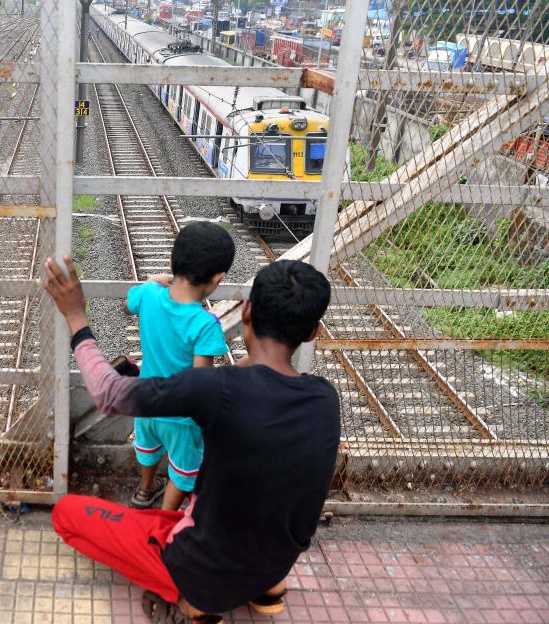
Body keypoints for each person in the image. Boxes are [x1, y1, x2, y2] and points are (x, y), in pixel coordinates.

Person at [44, 256, 340, 621]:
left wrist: (76, 316)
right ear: (313, 332)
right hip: (277, 559)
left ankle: (194, 604)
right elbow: (259, 385)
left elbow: (108, 393)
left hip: (203, 570)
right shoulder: (325, 399)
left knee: (67, 514)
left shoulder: (215, 391)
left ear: (246, 312)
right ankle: (269, 588)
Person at [124, 221, 234, 511]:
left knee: (147, 448)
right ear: (218, 278)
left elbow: (128, 305)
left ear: (173, 262)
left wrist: (153, 280)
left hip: (146, 401)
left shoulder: (148, 295)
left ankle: (145, 489)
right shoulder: (205, 325)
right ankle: (165, 516)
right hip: (181, 416)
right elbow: (201, 382)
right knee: (185, 472)